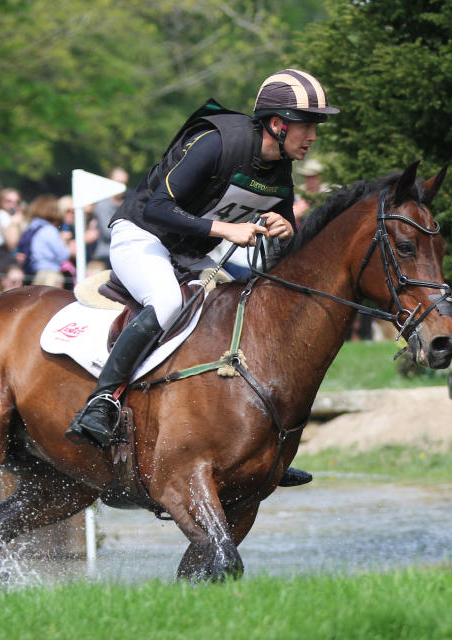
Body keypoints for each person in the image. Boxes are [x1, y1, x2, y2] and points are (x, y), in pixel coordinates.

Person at [67, 69, 339, 449]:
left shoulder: (279, 164)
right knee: (167, 302)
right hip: (143, 236)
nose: (312, 137)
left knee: (241, 311)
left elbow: (284, 219)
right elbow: (160, 207)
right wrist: (226, 231)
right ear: (277, 124)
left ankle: (250, 444)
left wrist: (286, 226)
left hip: (193, 252)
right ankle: (100, 402)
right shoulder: (216, 143)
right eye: (306, 126)